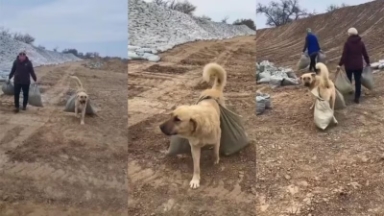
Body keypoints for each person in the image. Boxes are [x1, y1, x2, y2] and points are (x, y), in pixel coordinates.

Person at [337, 27, 370, 104]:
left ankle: (349, 90)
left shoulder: (347, 43)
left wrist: (340, 64)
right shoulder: (361, 43)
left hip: (349, 66)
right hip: (358, 65)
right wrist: (368, 62)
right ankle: (357, 97)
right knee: (358, 81)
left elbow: (344, 55)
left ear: (350, 34)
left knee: (349, 79)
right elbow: (365, 54)